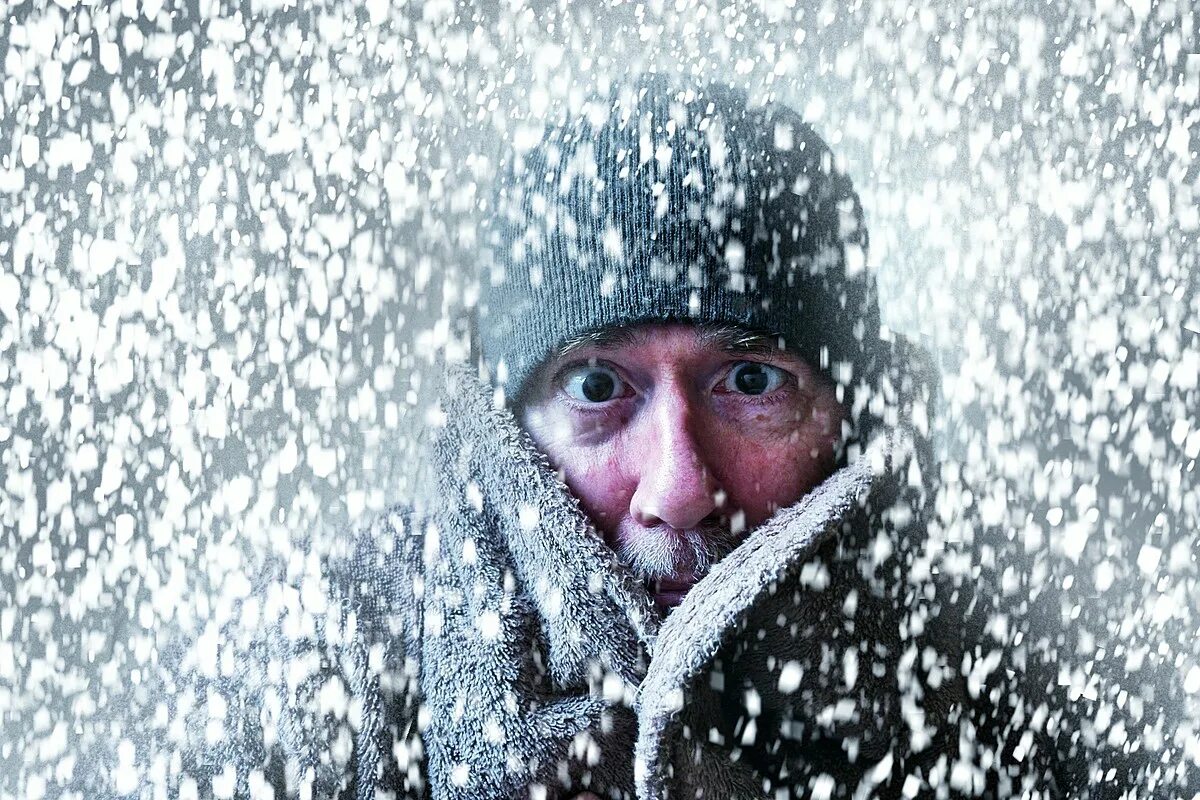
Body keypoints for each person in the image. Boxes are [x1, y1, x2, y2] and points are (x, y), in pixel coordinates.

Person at [161, 75, 998, 799]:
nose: (677, 490)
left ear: (852, 418)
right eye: (599, 387)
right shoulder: (312, 680)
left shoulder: (995, 696)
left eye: (749, 382)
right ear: (503, 435)